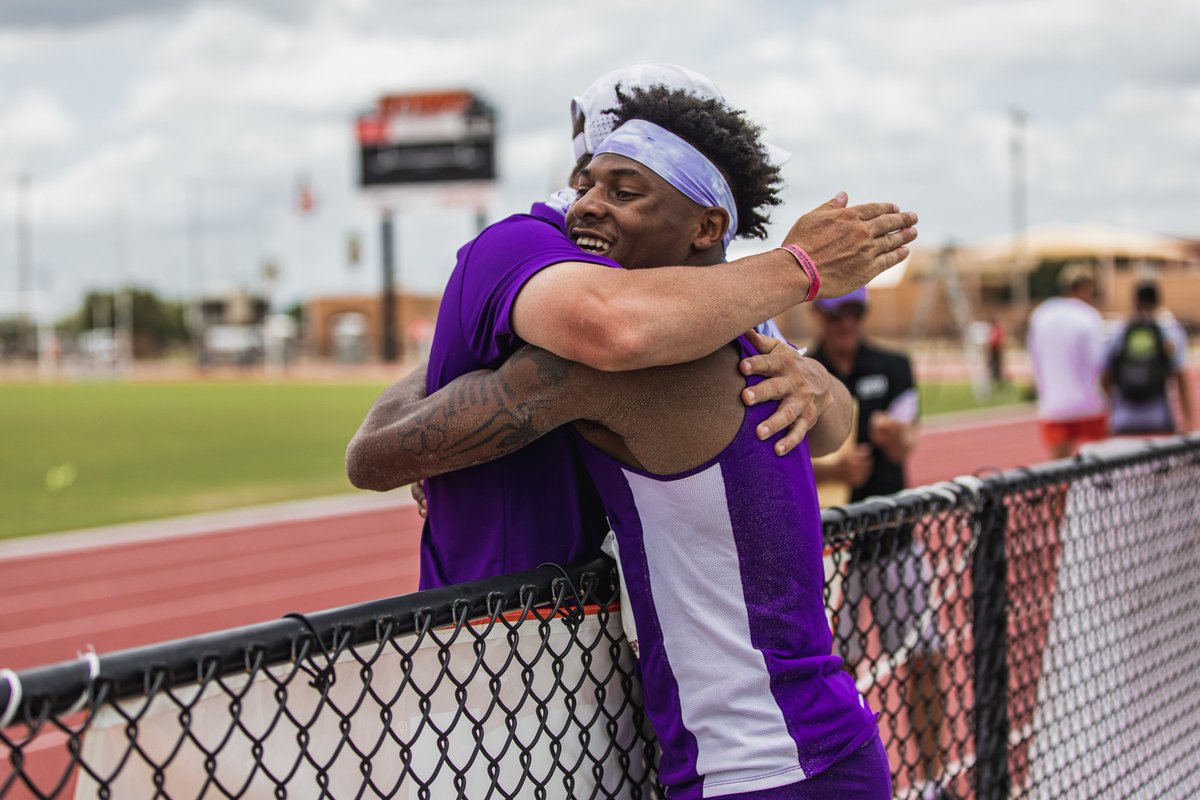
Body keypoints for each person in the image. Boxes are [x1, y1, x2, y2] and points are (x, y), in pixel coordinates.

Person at [359, 85, 891, 799]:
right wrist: (818, 375)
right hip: (816, 742)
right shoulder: (762, 344)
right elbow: (832, 423)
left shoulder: (614, 368)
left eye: (624, 191)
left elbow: (375, 455)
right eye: (586, 184)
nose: (584, 206)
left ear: (705, 228)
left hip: (758, 767)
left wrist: (460, 349)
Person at [347, 65, 919, 590]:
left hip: (635, 634)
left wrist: (813, 382)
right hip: (504, 627)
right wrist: (800, 266)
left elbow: (826, 426)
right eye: (599, 183)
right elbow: (615, 330)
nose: (593, 204)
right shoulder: (528, 244)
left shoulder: (695, 295)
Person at [807, 289, 944, 795]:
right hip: (829, 550)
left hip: (893, 540)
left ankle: (932, 777)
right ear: (817, 313)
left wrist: (896, 437)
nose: (845, 322)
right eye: (835, 311)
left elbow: (909, 439)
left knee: (925, 655)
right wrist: (833, 471)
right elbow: (780, 459)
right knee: (833, 672)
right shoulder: (803, 371)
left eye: (855, 311)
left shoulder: (893, 366)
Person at [1026, 263, 1109, 458]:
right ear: (1084, 288)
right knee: (1097, 466)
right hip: (1089, 403)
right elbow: (1100, 361)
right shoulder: (1088, 316)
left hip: (1053, 405)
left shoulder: (1041, 314)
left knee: (1058, 468)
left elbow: (1034, 357)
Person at [1103, 279, 1193, 435]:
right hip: (1159, 418)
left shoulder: (1119, 331)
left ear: (1135, 301)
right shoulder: (1169, 331)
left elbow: (1105, 376)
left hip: (1123, 419)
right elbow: (1179, 376)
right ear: (1158, 301)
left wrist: (1112, 407)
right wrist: (1188, 420)